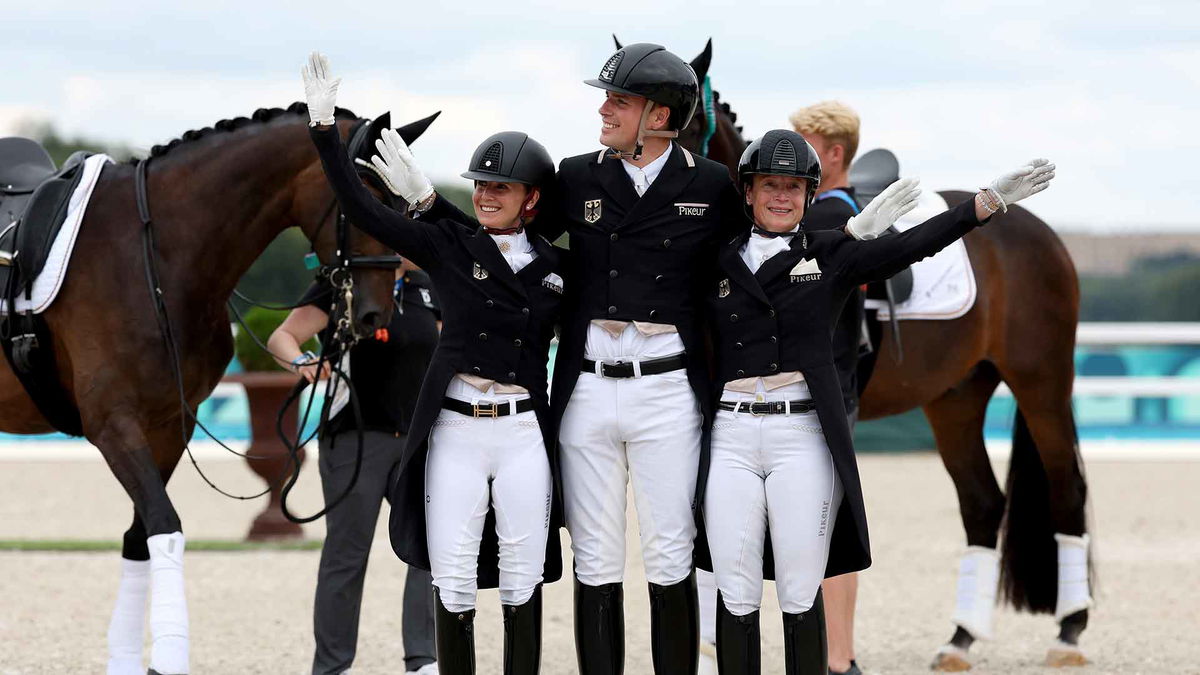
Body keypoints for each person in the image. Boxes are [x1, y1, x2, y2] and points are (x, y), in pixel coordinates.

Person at [703, 129, 1054, 674]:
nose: (780, 196)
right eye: (769, 185)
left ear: (809, 196)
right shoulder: (716, 258)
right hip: (731, 436)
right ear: (747, 192)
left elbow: (915, 245)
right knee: (736, 585)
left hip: (801, 437)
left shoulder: (833, 254)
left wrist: (984, 205)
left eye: (793, 188)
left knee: (800, 588)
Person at [301, 52, 568, 675]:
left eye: (500, 187)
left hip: (524, 429)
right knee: (450, 574)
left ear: (531, 199)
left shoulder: (559, 270)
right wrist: (324, 136)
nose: (485, 195)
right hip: (454, 428)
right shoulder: (448, 246)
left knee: (522, 575)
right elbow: (363, 210)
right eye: (479, 184)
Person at [534, 42, 742, 674]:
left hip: (667, 391)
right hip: (589, 387)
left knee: (670, 552)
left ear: (659, 114)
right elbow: (510, 249)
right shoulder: (573, 176)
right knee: (594, 554)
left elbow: (753, 265)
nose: (603, 108)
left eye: (618, 100)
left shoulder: (711, 185)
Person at [269, 263, 441, 675]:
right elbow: (283, 337)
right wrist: (300, 363)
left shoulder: (429, 285)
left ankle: (424, 660)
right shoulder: (341, 281)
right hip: (354, 439)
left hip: (418, 442)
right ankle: (332, 666)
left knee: (429, 551)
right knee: (347, 556)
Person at [789, 100, 867, 675]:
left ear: (833, 153)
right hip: (822, 384)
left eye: (803, 142)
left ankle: (839, 657)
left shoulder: (831, 217)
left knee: (828, 523)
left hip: (828, 386)